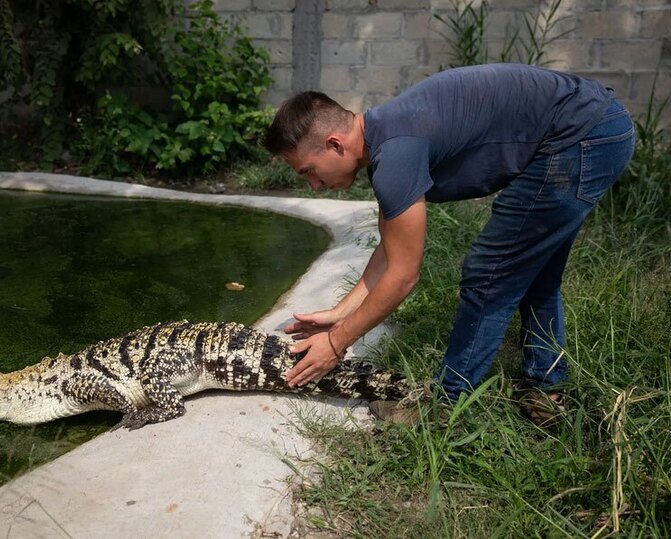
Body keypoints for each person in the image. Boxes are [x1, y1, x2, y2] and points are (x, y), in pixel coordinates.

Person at [262, 63, 635, 423]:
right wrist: (342, 312)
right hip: (591, 128)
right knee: (532, 270)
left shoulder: (395, 154)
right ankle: (546, 386)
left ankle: (446, 405)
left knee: (491, 271)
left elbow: (404, 276)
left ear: (334, 144)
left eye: (308, 171)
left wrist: (336, 343)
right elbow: (392, 251)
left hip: (581, 137)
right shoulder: (386, 143)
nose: (312, 184)